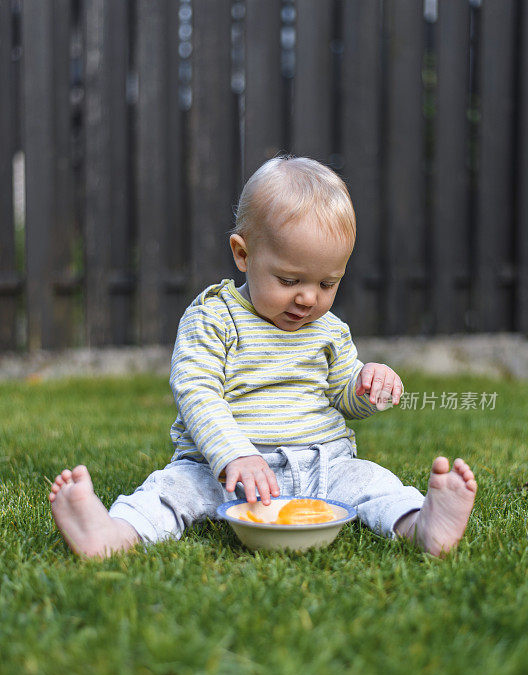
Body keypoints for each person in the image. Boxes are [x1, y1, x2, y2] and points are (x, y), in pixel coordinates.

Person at [49, 156, 477, 559]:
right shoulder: (215, 317)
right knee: (170, 491)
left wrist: (369, 385)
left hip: (323, 465)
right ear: (243, 253)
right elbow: (197, 392)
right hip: (222, 470)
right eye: (290, 279)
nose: (309, 297)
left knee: (376, 484)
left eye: (328, 283)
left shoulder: (329, 331)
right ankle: (112, 533)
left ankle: (422, 524)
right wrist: (235, 454)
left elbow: (346, 397)